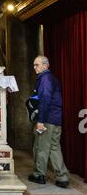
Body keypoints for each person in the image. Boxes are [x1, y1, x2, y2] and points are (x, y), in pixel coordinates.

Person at [28, 55, 69, 188]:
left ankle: (39, 174)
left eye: (37, 65)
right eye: (34, 65)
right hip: (56, 119)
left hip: (47, 119)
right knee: (54, 147)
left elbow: (44, 99)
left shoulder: (45, 79)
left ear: (46, 65)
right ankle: (62, 177)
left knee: (41, 147)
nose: (35, 67)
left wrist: (41, 121)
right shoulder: (50, 78)